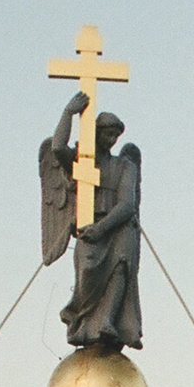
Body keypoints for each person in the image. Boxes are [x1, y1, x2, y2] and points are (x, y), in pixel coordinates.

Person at [41, 91, 143, 350]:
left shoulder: (125, 166)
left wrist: (102, 228)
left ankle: (108, 319)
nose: (111, 140)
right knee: (87, 269)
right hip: (88, 226)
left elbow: (128, 205)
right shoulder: (82, 160)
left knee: (121, 264)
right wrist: (69, 112)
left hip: (116, 227)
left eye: (115, 136)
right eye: (107, 134)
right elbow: (57, 148)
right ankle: (80, 318)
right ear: (96, 133)